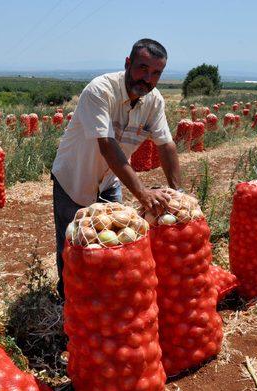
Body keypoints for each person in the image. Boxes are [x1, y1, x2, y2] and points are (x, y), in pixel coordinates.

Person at [51, 38, 183, 298]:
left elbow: (166, 146)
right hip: (74, 180)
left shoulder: (154, 101)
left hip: (110, 180)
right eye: (142, 68)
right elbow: (107, 146)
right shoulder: (100, 90)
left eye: (156, 73)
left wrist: (180, 193)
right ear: (127, 63)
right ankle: (68, 303)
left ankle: (105, 299)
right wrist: (143, 193)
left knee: (117, 237)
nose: (147, 78)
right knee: (73, 246)